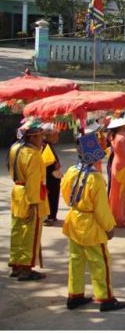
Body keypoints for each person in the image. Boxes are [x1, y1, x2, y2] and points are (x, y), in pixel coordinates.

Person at [61, 133, 125, 311]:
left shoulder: (71, 171)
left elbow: (65, 194)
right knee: (99, 262)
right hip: (91, 224)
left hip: (74, 219)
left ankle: (75, 295)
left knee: (76, 260)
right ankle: (105, 298)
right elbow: (101, 208)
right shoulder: (95, 178)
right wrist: (109, 227)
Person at [8, 119, 48, 281]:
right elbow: (33, 180)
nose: (42, 139)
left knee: (17, 229)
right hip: (29, 194)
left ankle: (16, 264)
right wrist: (33, 202)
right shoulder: (33, 155)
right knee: (30, 232)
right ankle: (26, 268)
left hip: (17, 191)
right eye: (40, 136)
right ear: (32, 137)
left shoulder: (14, 148)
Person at [107, 114, 125, 228]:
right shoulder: (123, 137)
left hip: (117, 163)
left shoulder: (115, 136)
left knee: (117, 191)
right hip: (123, 165)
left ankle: (117, 214)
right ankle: (119, 217)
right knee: (122, 192)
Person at [41, 124, 62, 226]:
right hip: (48, 177)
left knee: (53, 196)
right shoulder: (44, 146)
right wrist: (55, 166)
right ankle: (48, 217)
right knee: (49, 196)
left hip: (52, 176)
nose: (57, 137)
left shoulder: (47, 145)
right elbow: (44, 163)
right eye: (55, 135)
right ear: (48, 135)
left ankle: (52, 216)